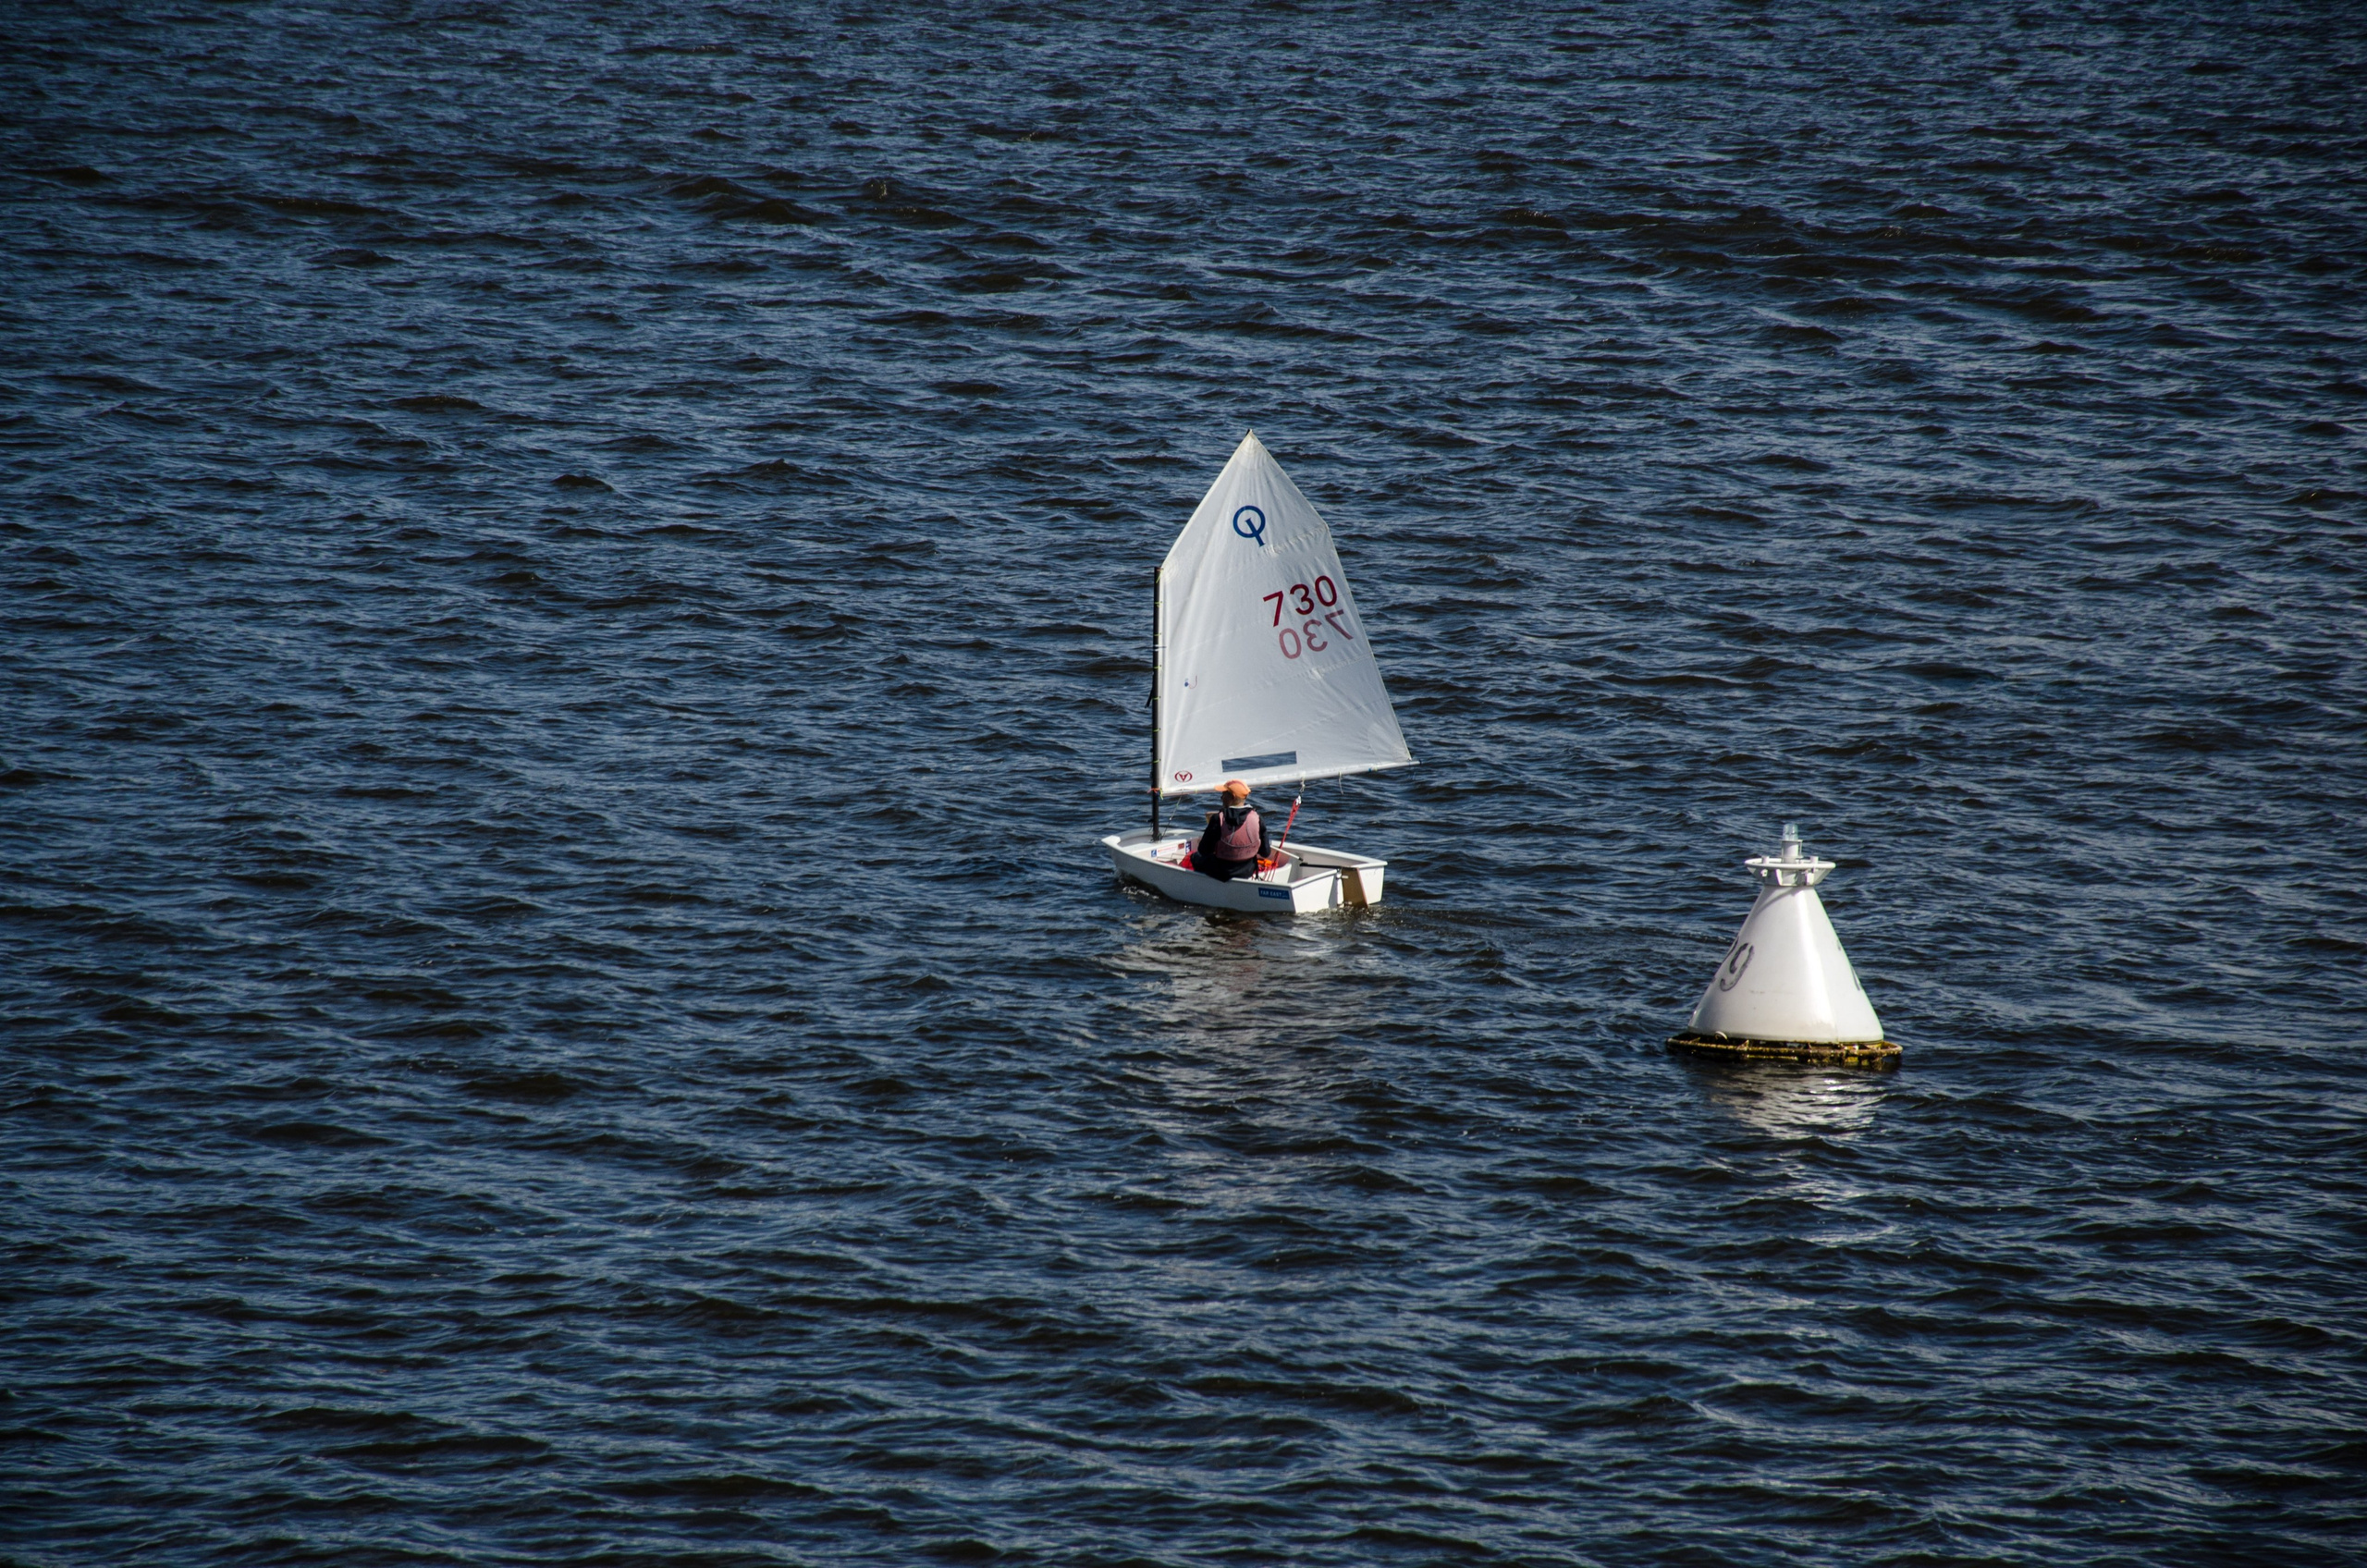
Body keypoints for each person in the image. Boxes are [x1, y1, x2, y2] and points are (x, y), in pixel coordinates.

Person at [1194, 779, 1271, 882]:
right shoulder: (1257, 818)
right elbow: (1265, 852)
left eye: (1224, 794)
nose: (1221, 798)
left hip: (1221, 872)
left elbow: (1203, 851)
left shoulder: (1218, 819)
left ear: (1232, 797)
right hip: (1247, 871)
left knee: (1195, 856)